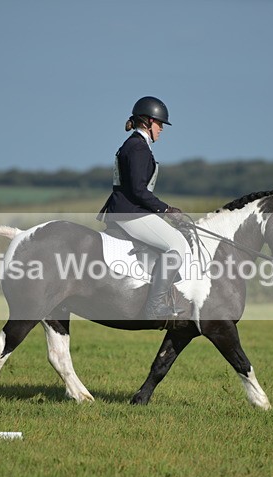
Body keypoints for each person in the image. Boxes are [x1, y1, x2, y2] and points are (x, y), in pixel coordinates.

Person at [98, 96, 190, 320]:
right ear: (147, 122)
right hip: (130, 213)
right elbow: (139, 191)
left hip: (127, 210)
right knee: (176, 245)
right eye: (159, 124)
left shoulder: (134, 145)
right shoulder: (138, 148)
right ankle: (154, 307)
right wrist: (166, 210)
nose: (161, 129)